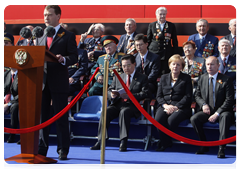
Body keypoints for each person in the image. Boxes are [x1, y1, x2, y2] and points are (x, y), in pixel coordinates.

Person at [37, 5, 78, 160]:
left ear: (58, 16)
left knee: (60, 117)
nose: (46, 18)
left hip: (59, 81)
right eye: (44, 15)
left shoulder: (67, 35)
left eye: (49, 15)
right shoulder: (40, 35)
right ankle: (42, 149)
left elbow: (74, 57)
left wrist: (63, 59)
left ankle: (63, 149)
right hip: (42, 81)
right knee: (43, 117)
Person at [90, 54, 149, 151]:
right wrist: (112, 95)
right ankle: (101, 140)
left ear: (134, 64)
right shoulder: (118, 76)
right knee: (106, 111)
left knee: (124, 112)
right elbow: (109, 90)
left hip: (132, 105)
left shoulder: (142, 77)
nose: (126, 68)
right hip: (118, 103)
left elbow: (145, 93)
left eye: (128, 65)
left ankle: (123, 141)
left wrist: (130, 96)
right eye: (124, 66)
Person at [190, 56, 234, 158]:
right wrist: (203, 104)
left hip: (222, 110)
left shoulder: (226, 80)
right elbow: (197, 95)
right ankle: (204, 144)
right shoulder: (202, 78)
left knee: (225, 117)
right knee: (194, 119)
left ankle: (221, 148)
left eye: (212, 64)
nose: (209, 67)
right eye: (208, 64)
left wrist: (217, 113)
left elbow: (229, 100)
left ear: (218, 66)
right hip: (207, 109)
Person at [155, 54, 192, 151]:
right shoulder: (163, 77)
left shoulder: (186, 78)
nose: (175, 66)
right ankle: (166, 142)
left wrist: (176, 107)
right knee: (158, 119)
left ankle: (163, 142)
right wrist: (166, 106)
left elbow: (188, 96)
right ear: (169, 65)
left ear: (182, 67)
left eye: (178, 65)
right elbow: (159, 96)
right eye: (173, 64)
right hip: (165, 105)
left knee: (171, 121)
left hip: (181, 107)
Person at [147, 7, 179, 76]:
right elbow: (148, 40)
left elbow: (175, 41)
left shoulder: (171, 25)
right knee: (154, 72)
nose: (162, 16)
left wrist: (175, 53)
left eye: (164, 14)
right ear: (156, 15)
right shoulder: (152, 25)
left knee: (165, 73)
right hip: (154, 53)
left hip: (166, 53)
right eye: (160, 14)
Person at [4, 32, 20, 144]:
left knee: (15, 107)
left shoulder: (22, 75)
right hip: (6, 100)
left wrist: (8, 104)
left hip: (18, 101)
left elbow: (22, 93)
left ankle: (12, 135)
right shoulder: (6, 74)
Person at [217, 39, 238, 104]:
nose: (224, 47)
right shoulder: (214, 60)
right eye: (222, 45)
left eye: (226, 45)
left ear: (230, 47)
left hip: (233, 89)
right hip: (217, 89)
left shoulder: (237, 61)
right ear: (218, 48)